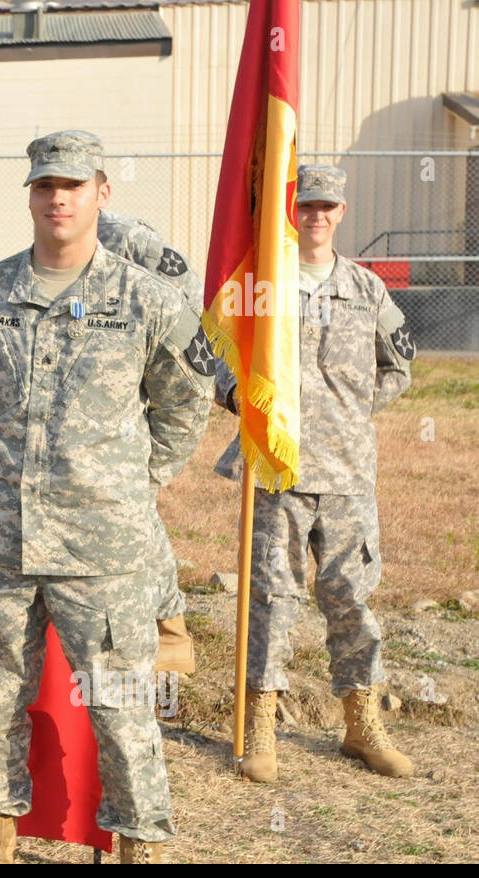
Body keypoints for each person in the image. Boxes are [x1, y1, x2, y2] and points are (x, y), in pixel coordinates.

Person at [0, 130, 215, 864]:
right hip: (2, 539)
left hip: (105, 547)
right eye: (44, 185)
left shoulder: (147, 301)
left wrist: (133, 480)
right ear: (29, 194)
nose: (57, 198)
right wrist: (17, 471)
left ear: (102, 192)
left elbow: (188, 402)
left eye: (72, 184)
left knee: (122, 708)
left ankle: (138, 844)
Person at [214, 164, 415, 783]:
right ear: (288, 211)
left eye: (327, 206)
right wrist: (244, 405)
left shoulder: (367, 289)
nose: (316, 216)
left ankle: (362, 724)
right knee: (273, 597)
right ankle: (261, 726)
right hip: (277, 468)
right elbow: (220, 360)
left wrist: (348, 416)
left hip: (350, 473)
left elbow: (400, 365)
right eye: (305, 205)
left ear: (342, 212)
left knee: (351, 595)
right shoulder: (258, 286)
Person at [96, 210, 205, 674]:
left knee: (137, 519)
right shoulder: (56, 234)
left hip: (132, 390)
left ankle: (168, 635)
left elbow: (189, 300)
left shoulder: (125, 237)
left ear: (99, 190)